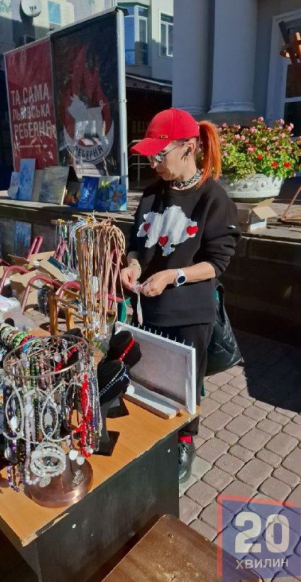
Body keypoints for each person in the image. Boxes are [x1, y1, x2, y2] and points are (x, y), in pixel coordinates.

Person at [120, 108, 241, 484]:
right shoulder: (154, 193)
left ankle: (186, 440)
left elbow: (217, 263)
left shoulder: (213, 198)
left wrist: (175, 274)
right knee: (151, 379)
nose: (154, 164)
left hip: (190, 312)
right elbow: (138, 242)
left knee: (188, 386)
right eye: (150, 156)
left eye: (161, 155)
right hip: (148, 308)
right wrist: (134, 265)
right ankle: (156, 435)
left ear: (188, 148)